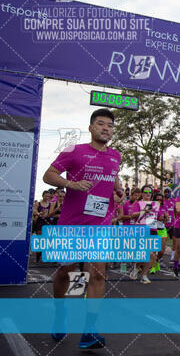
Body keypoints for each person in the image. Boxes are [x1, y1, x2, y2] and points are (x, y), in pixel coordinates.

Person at [42, 108, 123, 349]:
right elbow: (49, 175)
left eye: (109, 125)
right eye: (100, 124)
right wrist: (71, 184)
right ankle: (59, 313)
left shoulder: (116, 155)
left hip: (100, 225)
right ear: (90, 127)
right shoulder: (74, 151)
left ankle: (89, 330)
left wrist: (118, 191)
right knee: (65, 271)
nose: (105, 128)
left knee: (98, 274)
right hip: (72, 224)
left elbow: (114, 179)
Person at [151, 192, 168, 274]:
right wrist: (158, 218)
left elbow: (167, 219)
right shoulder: (151, 206)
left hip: (162, 229)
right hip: (153, 229)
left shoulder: (164, 207)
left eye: (160, 200)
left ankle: (157, 261)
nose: (159, 201)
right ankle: (153, 267)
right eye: (157, 199)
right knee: (154, 250)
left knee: (161, 251)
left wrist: (165, 217)